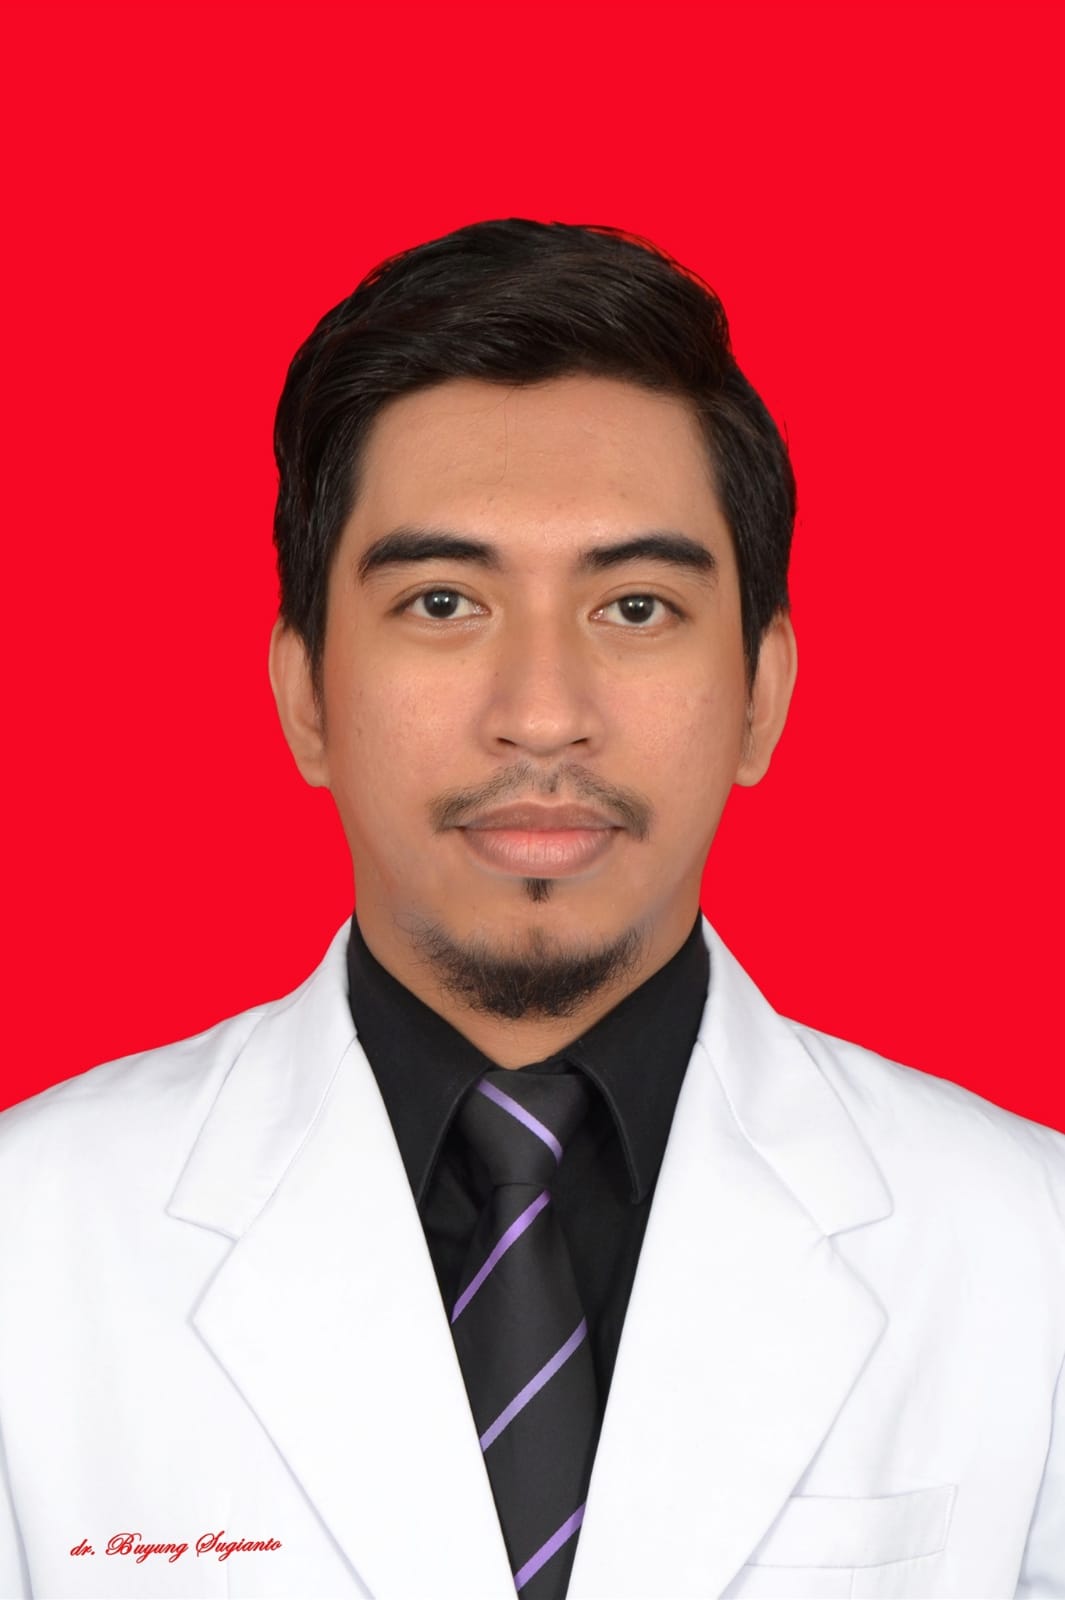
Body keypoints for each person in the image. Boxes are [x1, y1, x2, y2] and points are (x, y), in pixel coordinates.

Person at [0, 218, 1062, 1600]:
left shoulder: (1027, 1255)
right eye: (444, 601)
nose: (543, 714)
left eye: (636, 607)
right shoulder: (31, 1245)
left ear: (762, 693)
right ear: (306, 693)